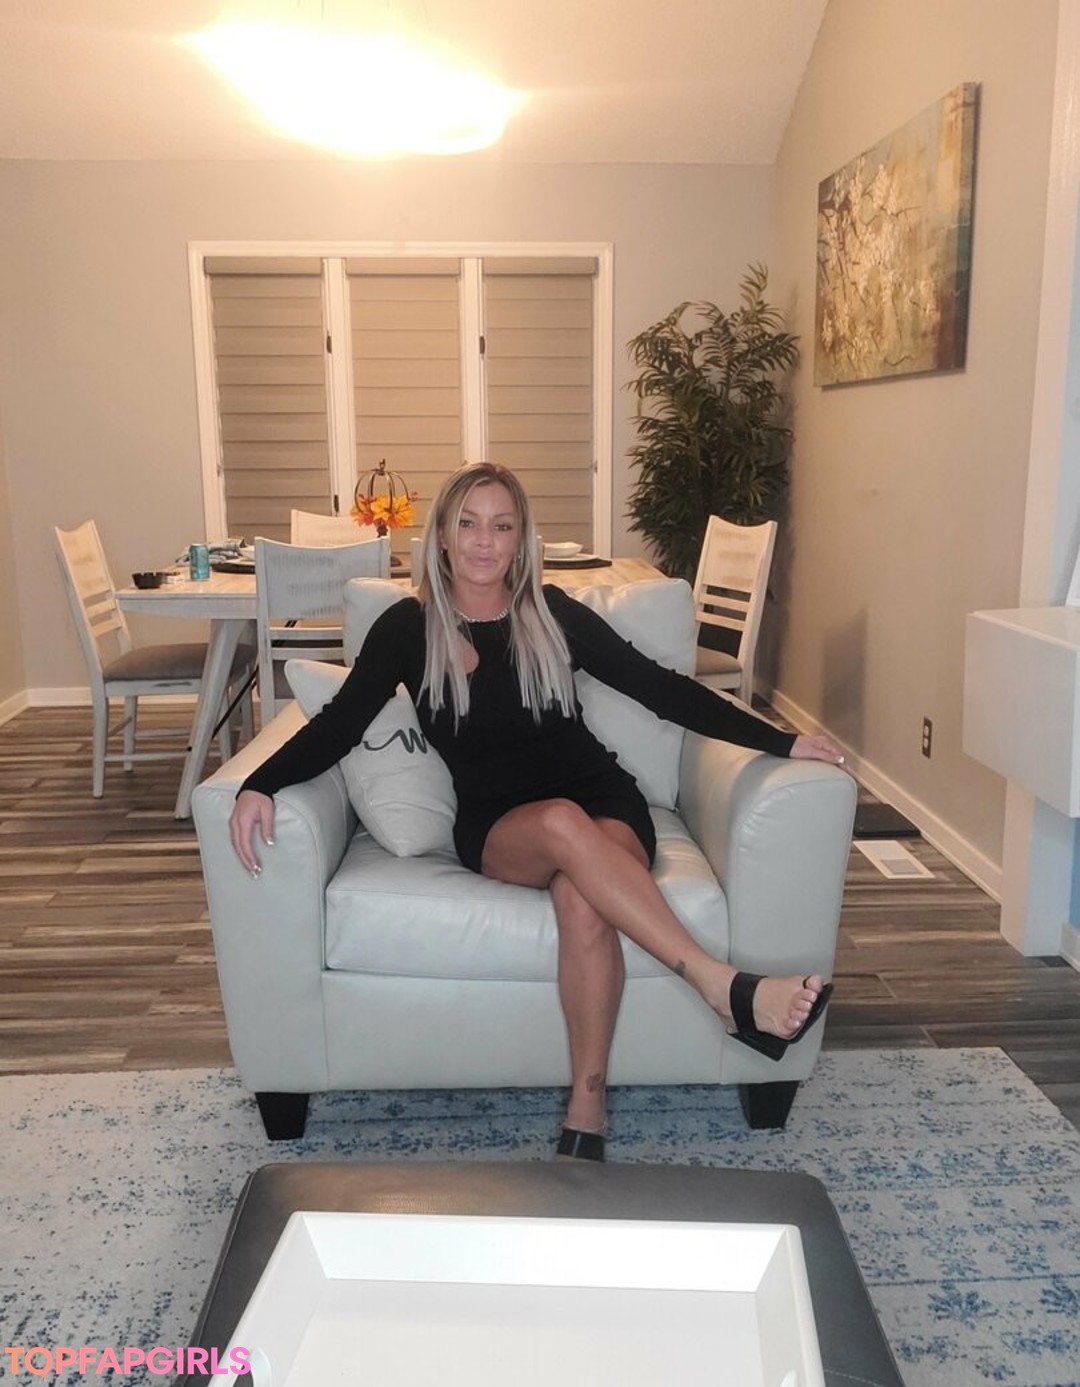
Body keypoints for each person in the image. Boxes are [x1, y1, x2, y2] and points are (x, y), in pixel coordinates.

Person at [230, 462, 847, 1160]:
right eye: (468, 523)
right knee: (558, 823)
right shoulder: (407, 629)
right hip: (501, 824)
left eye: (502, 526)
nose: (483, 541)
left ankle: (587, 1113)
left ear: (521, 540)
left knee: (582, 900)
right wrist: (260, 782)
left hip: (602, 798)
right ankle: (719, 985)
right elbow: (339, 725)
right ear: (441, 535)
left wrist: (780, 740)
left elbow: (662, 689)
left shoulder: (552, 613)